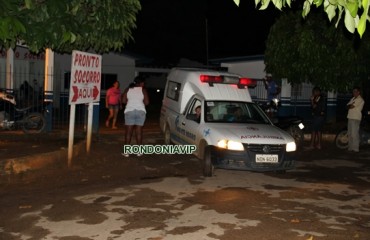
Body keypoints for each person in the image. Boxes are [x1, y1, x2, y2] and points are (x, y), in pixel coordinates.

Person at [121, 76, 149, 157]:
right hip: (140, 111)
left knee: (128, 132)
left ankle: (126, 152)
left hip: (130, 111)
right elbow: (147, 102)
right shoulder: (143, 90)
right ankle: (139, 152)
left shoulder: (128, 89)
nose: (144, 84)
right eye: (143, 83)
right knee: (139, 132)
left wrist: (131, 103)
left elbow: (123, 101)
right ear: (141, 83)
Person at [346, 87, 365, 152]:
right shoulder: (353, 98)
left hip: (355, 118)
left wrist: (350, 106)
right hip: (350, 117)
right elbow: (347, 106)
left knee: (354, 134)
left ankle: (356, 148)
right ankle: (350, 148)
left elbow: (351, 106)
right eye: (353, 91)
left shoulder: (360, 99)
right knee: (350, 133)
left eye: (355, 91)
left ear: (358, 92)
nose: (354, 92)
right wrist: (349, 106)